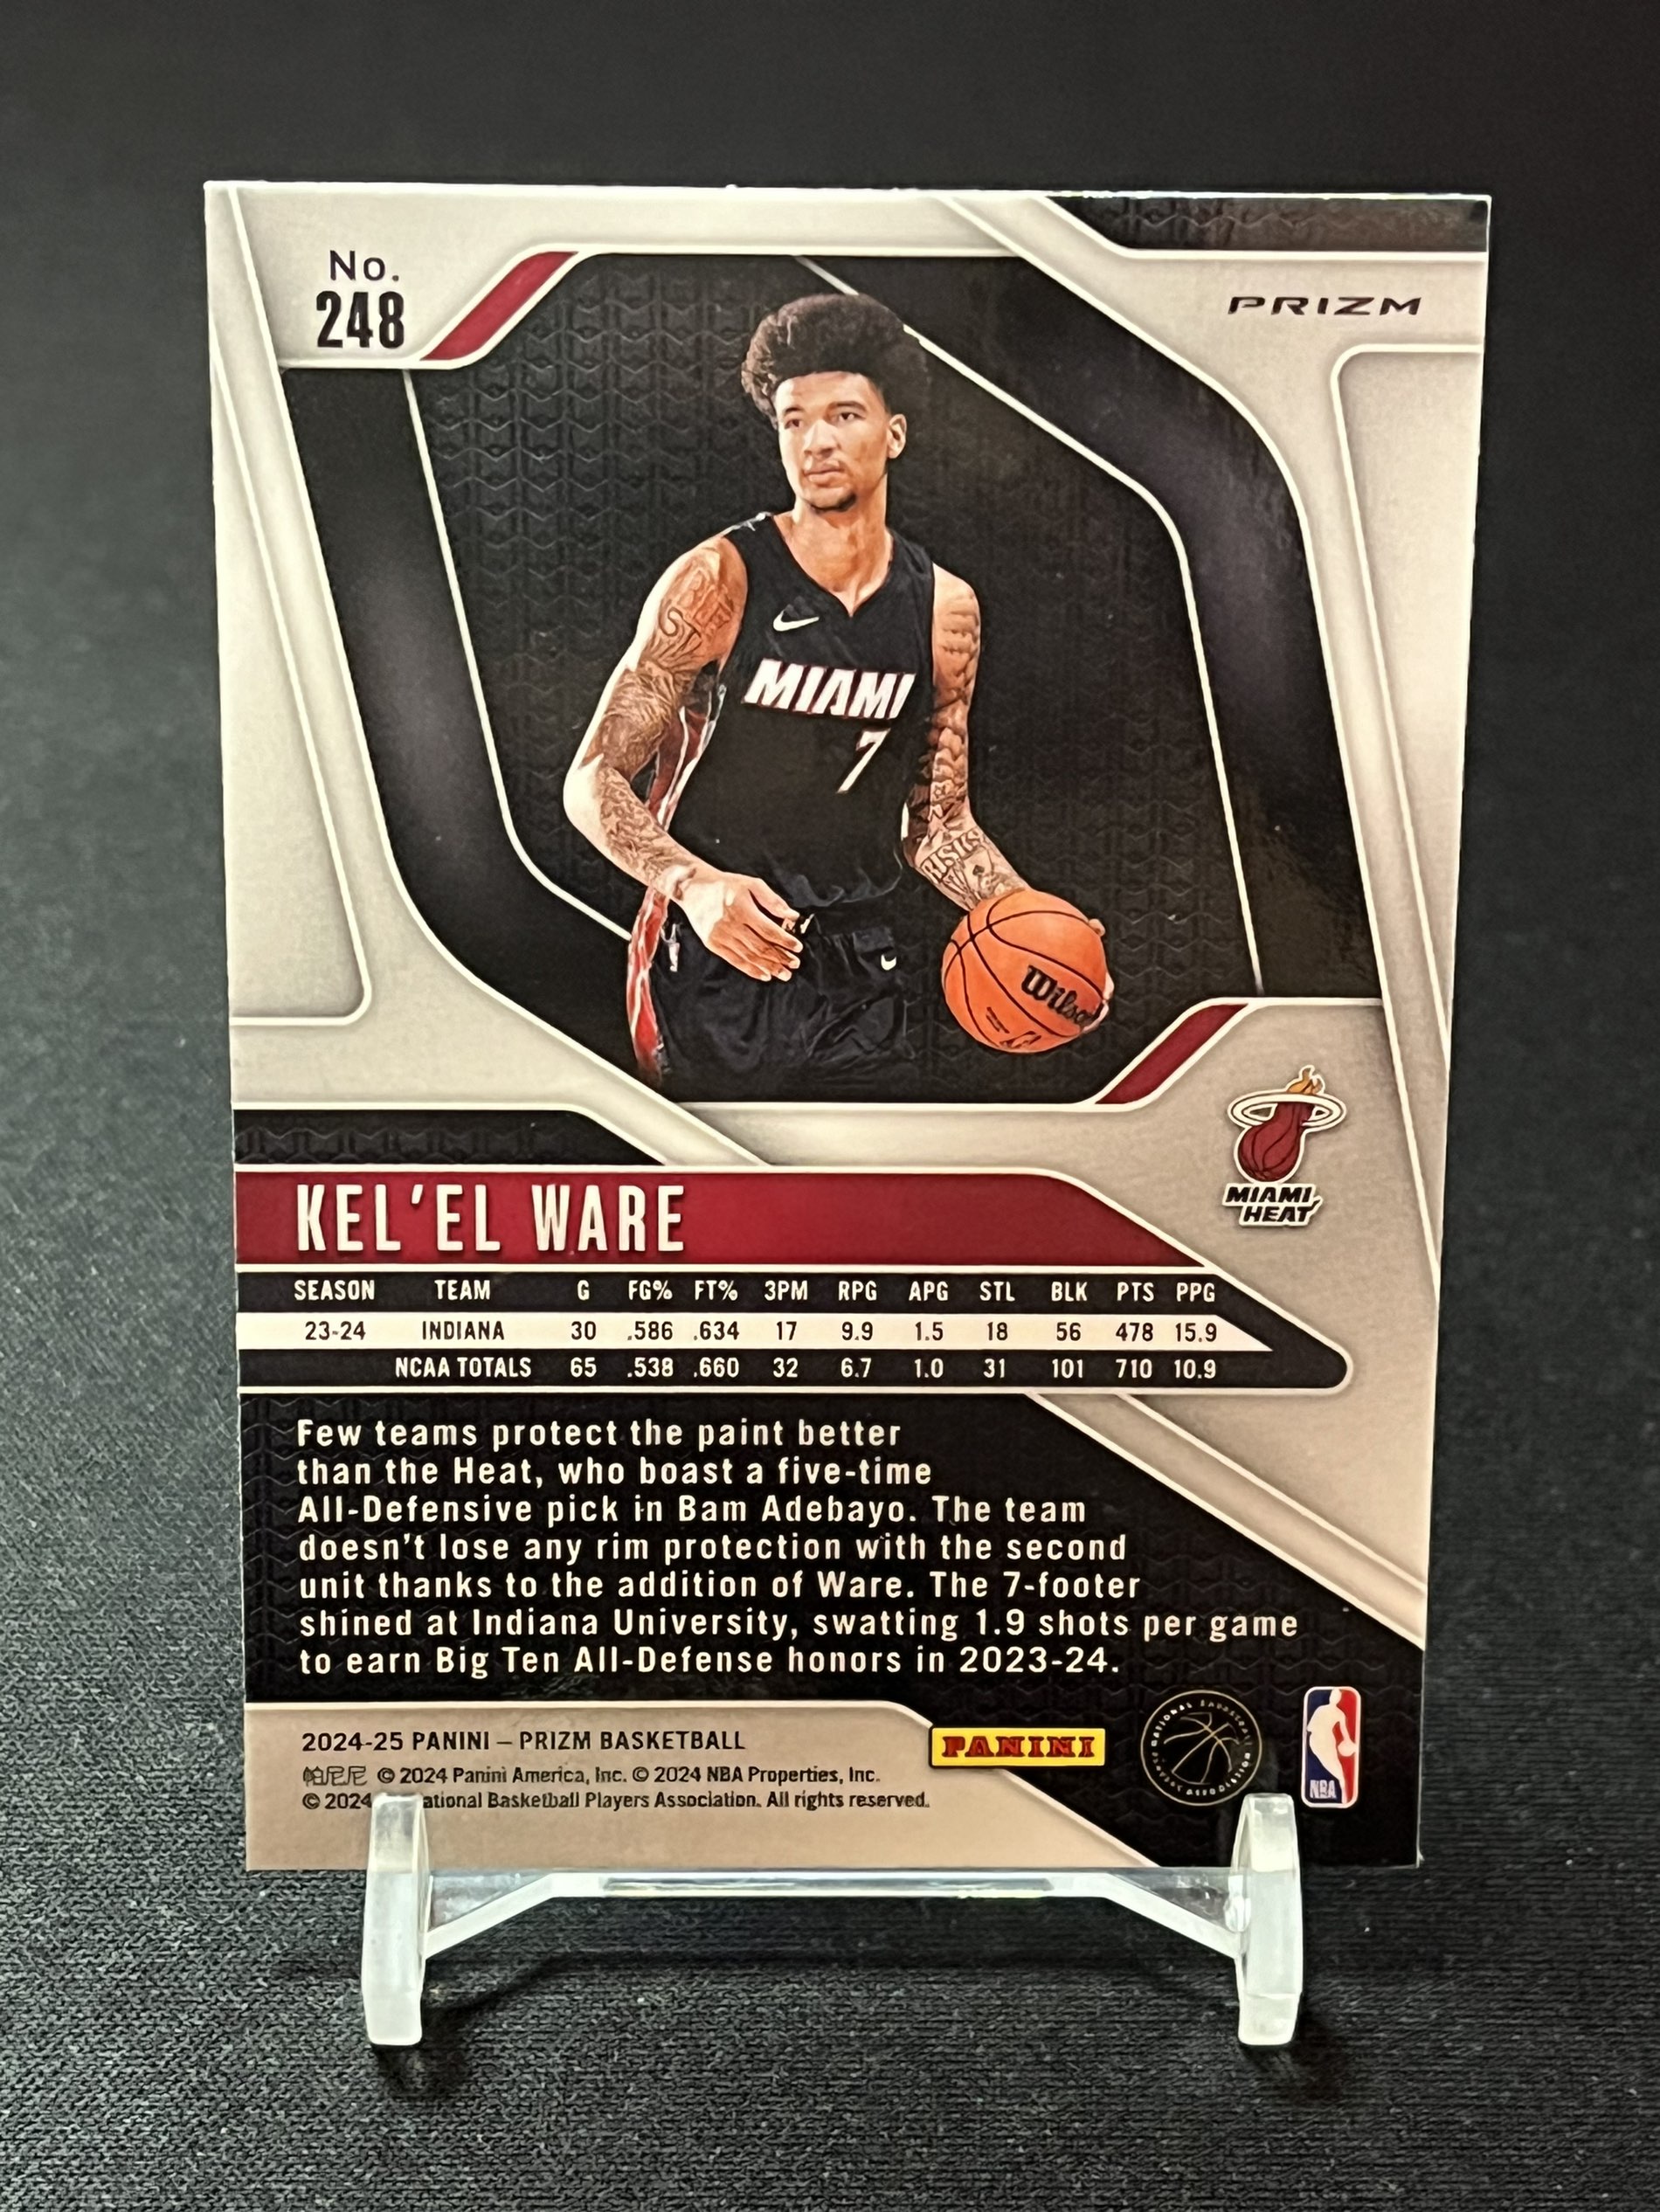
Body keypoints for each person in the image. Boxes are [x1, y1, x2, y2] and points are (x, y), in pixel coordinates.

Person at [564, 289, 1110, 1098]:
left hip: (861, 967)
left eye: (843, 415)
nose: (815, 440)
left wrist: (1039, 924)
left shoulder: (944, 609)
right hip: (716, 955)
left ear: (895, 435)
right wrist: (694, 886)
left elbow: (937, 822)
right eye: (794, 421)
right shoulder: (719, 581)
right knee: (728, 1176)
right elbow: (593, 778)